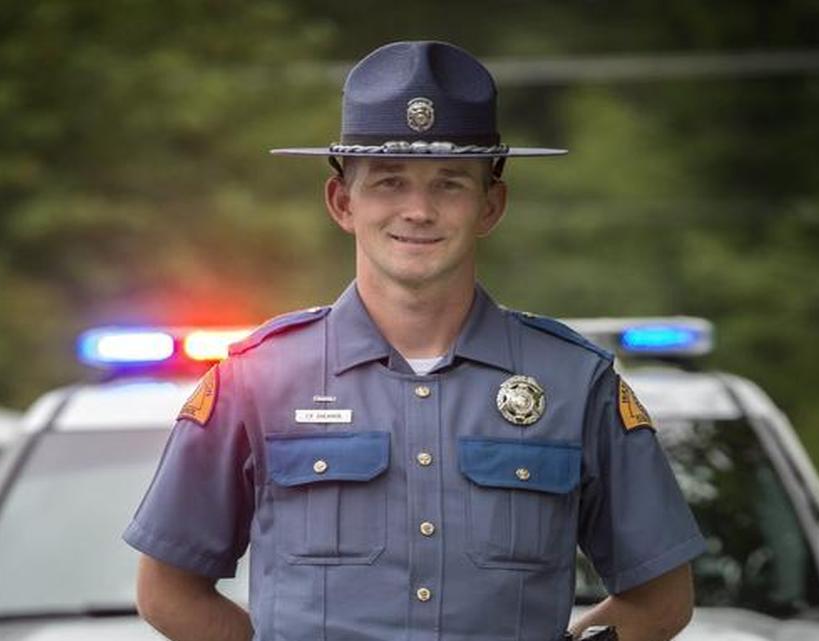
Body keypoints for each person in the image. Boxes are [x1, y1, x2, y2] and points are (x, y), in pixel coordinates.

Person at [123, 41, 705, 641]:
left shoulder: (574, 382)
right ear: (342, 202)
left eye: (450, 184)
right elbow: (167, 588)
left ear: (491, 205)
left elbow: (661, 597)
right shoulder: (258, 378)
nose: (418, 210)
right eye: (389, 182)